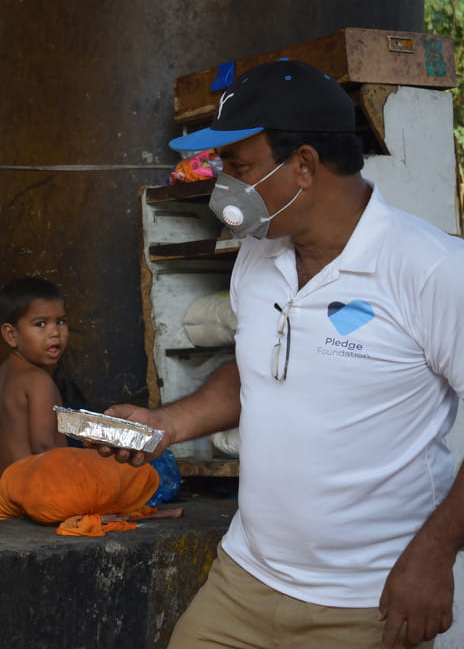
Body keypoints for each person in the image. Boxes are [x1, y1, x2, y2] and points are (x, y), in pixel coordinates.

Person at [97, 59, 464, 648]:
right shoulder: (259, 256)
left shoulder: (431, 270)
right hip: (244, 581)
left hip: (366, 602)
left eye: (238, 166)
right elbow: (260, 369)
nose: (224, 187)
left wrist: (435, 553)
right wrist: (168, 423)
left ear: (304, 166)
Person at [0, 277, 69, 494]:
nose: (55, 332)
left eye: (61, 321)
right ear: (11, 335)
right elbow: (43, 446)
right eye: (41, 324)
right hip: (27, 490)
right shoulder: (40, 381)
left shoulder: (6, 369)